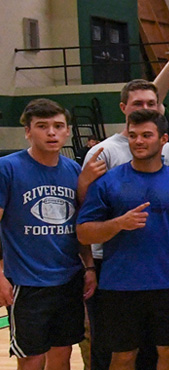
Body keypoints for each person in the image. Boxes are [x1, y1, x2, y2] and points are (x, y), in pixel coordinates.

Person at [77, 109, 169, 370]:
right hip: (119, 286)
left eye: (147, 135)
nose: (138, 141)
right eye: (133, 135)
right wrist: (118, 224)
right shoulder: (108, 182)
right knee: (123, 356)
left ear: (163, 139)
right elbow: (83, 232)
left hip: (168, 285)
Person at [0, 99, 94, 369]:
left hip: (68, 280)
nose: (51, 132)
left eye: (58, 126)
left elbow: (81, 227)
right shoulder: (7, 168)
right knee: (32, 358)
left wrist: (88, 267)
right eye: (42, 126)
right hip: (27, 282)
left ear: (67, 131)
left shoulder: (74, 171)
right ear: (28, 131)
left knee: (62, 354)